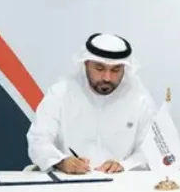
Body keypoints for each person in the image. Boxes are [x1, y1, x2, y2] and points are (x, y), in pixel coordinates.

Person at [26, 33, 157, 174]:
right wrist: (61, 162)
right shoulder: (61, 93)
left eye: (115, 70)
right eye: (99, 68)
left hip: (120, 185)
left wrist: (124, 165)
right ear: (86, 63)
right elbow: (38, 140)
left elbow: (153, 151)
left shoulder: (139, 99)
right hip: (67, 182)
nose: (107, 78)